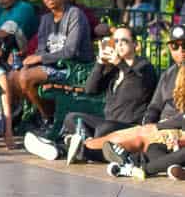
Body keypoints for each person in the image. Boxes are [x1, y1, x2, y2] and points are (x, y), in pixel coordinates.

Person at [24, 25, 156, 163]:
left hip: (130, 127)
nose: (119, 44)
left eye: (124, 40)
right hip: (108, 122)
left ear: (136, 45)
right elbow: (90, 89)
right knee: (72, 118)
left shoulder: (144, 67)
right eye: (116, 41)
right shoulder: (115, 71)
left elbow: (137, 87)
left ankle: (62, 148)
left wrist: (119, 63)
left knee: (104, 128)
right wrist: (100, 63)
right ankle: (77, 148)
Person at [82, 25, 185, 178]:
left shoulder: (144, 67)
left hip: (175, 129)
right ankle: (80, 148)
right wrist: (149, 124)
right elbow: (154, 106)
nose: (181, 50)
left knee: (136, 138)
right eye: (175, 46)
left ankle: (84, 151)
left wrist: (156, 126)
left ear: (136, 45)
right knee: (123, 136)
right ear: (170, 48)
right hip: (159, 128)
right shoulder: (168, 73)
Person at [10, 0, 92, 129]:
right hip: (53, 66)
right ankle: (38, 116)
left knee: (26, 77)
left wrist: (39, 58)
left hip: (74, 68)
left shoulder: (75, 14)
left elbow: (71, 51)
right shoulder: (46, 19)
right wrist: (30, 62)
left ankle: (49, 119)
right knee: (13, 76)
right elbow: (42, 48)